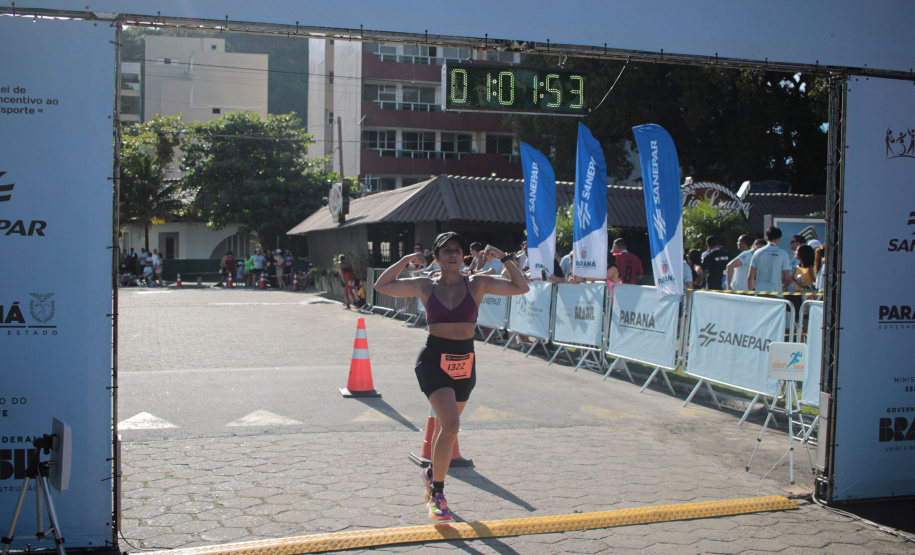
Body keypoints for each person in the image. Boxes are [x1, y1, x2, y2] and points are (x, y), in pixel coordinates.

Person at [374, 232, 529, 522]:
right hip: (434, 359)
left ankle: (431, 474)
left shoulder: (477, 283)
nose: (454, 254)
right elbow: (381, 285)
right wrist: (406, 259)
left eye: (458, 250)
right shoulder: (425, 284)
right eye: (446, 251)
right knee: (452, 424)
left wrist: (504, 257)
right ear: (437, 257)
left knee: (447, 429)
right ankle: (438, 494)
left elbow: (522, 287)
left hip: (465, 361)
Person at [748, 226, 793, 297]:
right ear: (779, 239)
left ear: (766, 238)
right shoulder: (783, 253)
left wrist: (751, 293)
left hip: (760, 293)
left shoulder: (757, 253)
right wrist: (785, 285)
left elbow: (750, 276)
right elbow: (786, 278)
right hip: (776, 293)